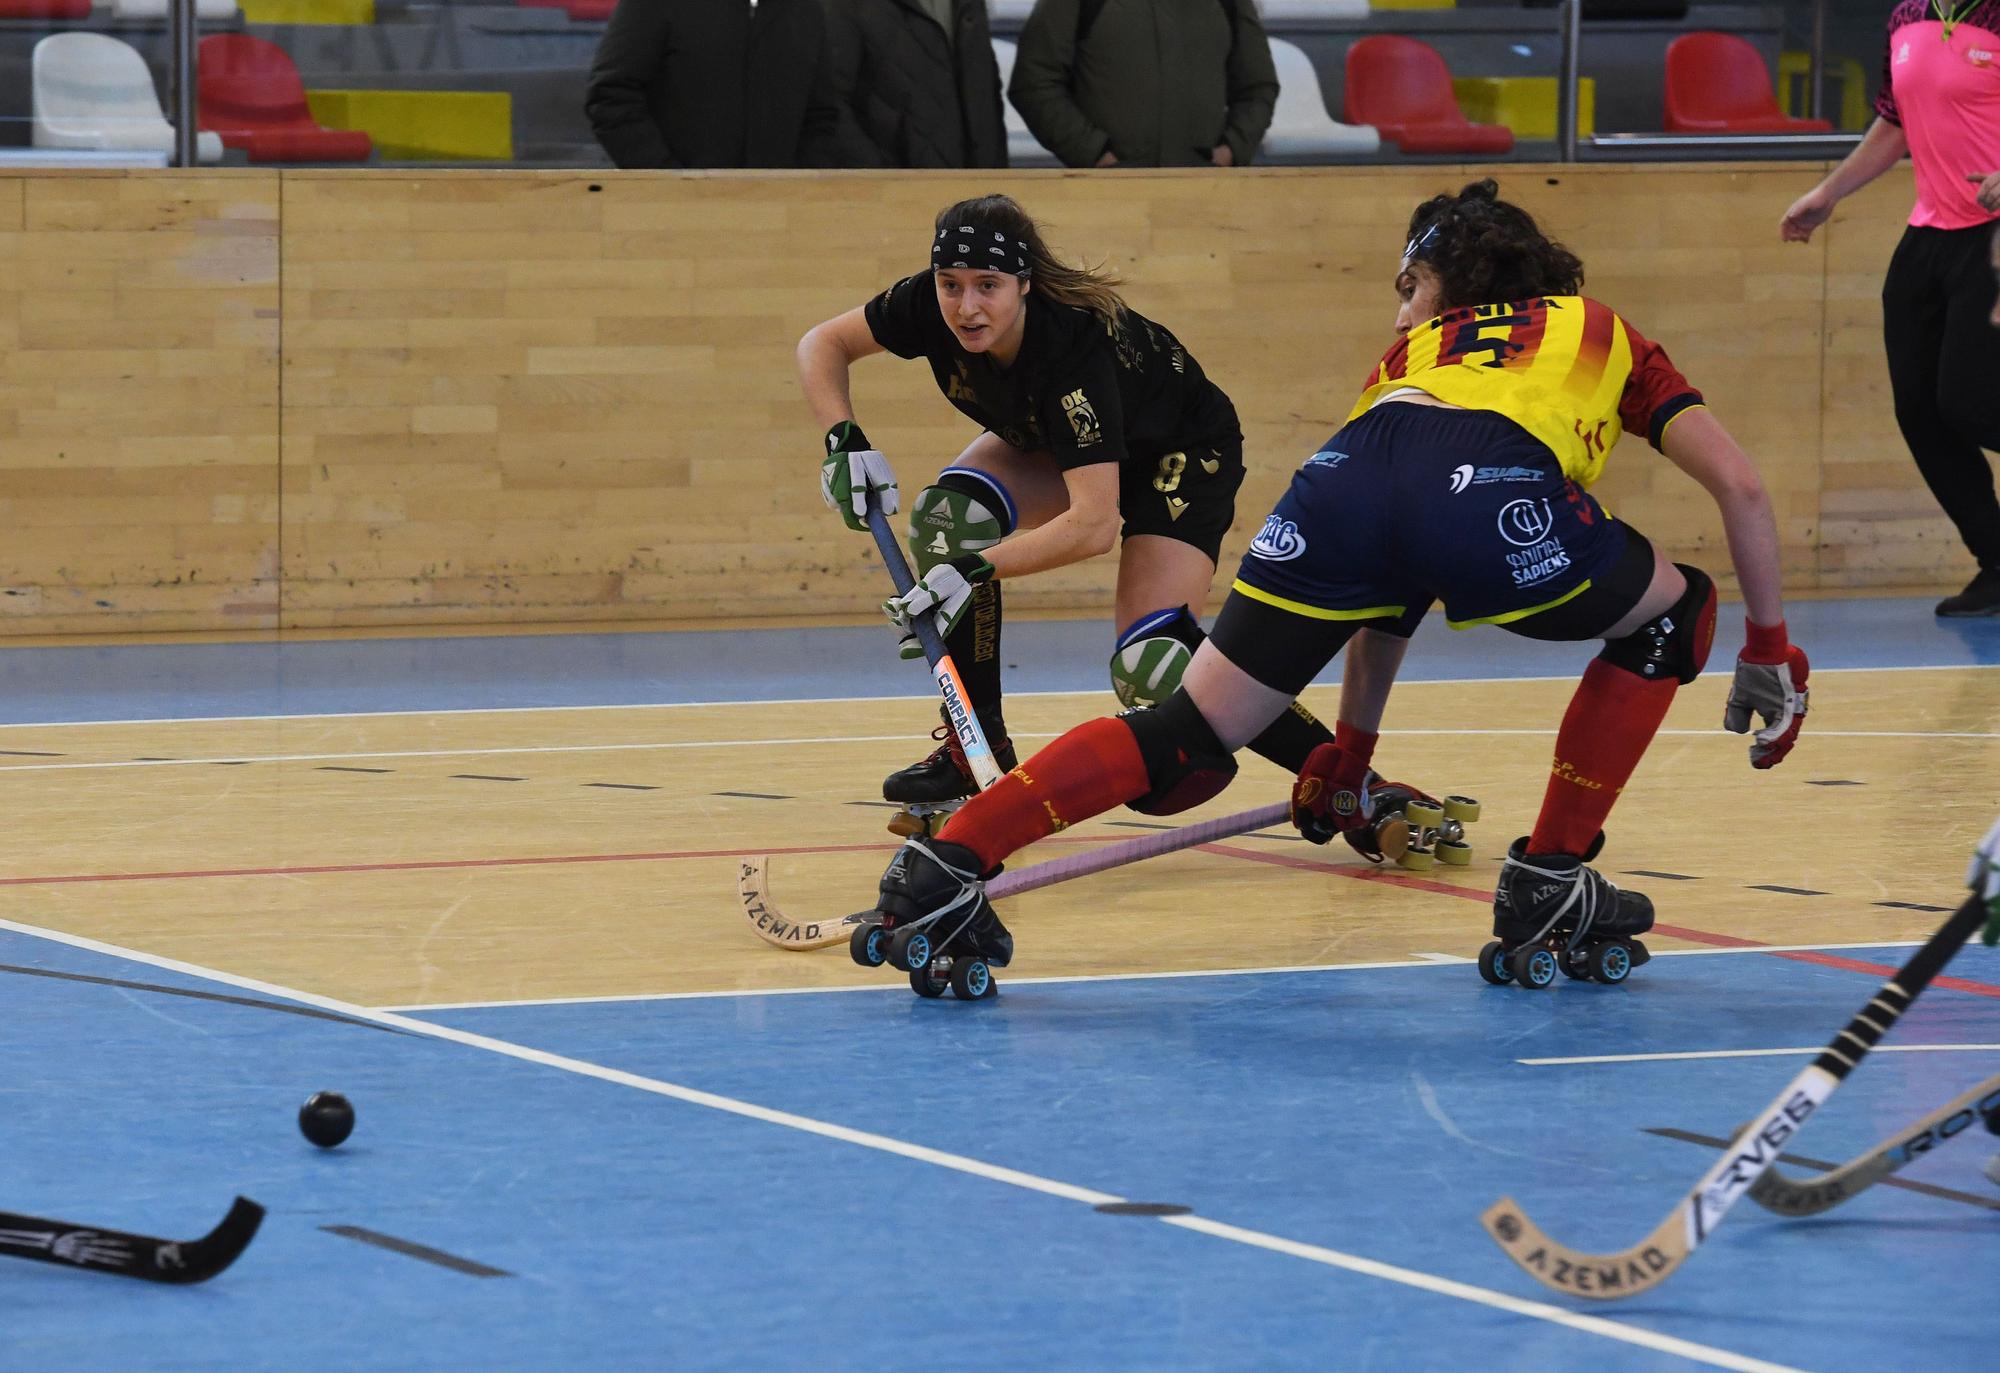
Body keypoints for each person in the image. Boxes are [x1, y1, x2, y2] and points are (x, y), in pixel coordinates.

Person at [862, 180, 1811, 975]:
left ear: (1461, 285)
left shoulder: (1408, 356)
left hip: (1336, 479)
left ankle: (949, 864)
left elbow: (1392, 582)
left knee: (1186, 728)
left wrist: (1353, 752)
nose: (1401, 310)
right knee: (1672, 616)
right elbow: (1740, 484)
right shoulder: (1604, 332)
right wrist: (1768, 645)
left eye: (1413, 285)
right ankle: (1551, 879)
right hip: (1489, 484)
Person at [795, 193, 1341, 835]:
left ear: (1024, 284)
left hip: (1177, 454)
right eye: (951, 284)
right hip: (1065, 448)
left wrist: (967, 573)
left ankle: (1345, 778)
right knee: (951, 518)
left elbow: (1093, 525)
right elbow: (823, 342)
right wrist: (842, 439)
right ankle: (977, 755)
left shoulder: (1070, 353)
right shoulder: (927, 307)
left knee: (1153, 664)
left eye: (988, 287)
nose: (966, 307)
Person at [1780, 1, 2000, 617]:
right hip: (1930, 233)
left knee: (1971, 403)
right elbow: (1897, 119)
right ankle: (1998, 561)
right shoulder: (1907, 15)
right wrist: (1828, 193)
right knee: (1921, 411)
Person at [1007, 0, 1278, 169]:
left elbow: (1257, 86)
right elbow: (1034, 81)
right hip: (1111, 200)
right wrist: (1093, 153)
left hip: (1204, 195)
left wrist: (1231, 149)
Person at [584, 0, 849, 169]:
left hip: (777, 222)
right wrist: (668, 179)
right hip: (671, 219)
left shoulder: (805, 9)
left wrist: (797, 190)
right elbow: (611, 95)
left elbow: (820, 116)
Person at [821, 0, 1007, 168]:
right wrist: (878, 176)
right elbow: (829, 104)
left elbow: (986, 88)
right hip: (891, 189)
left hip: (976, 182)